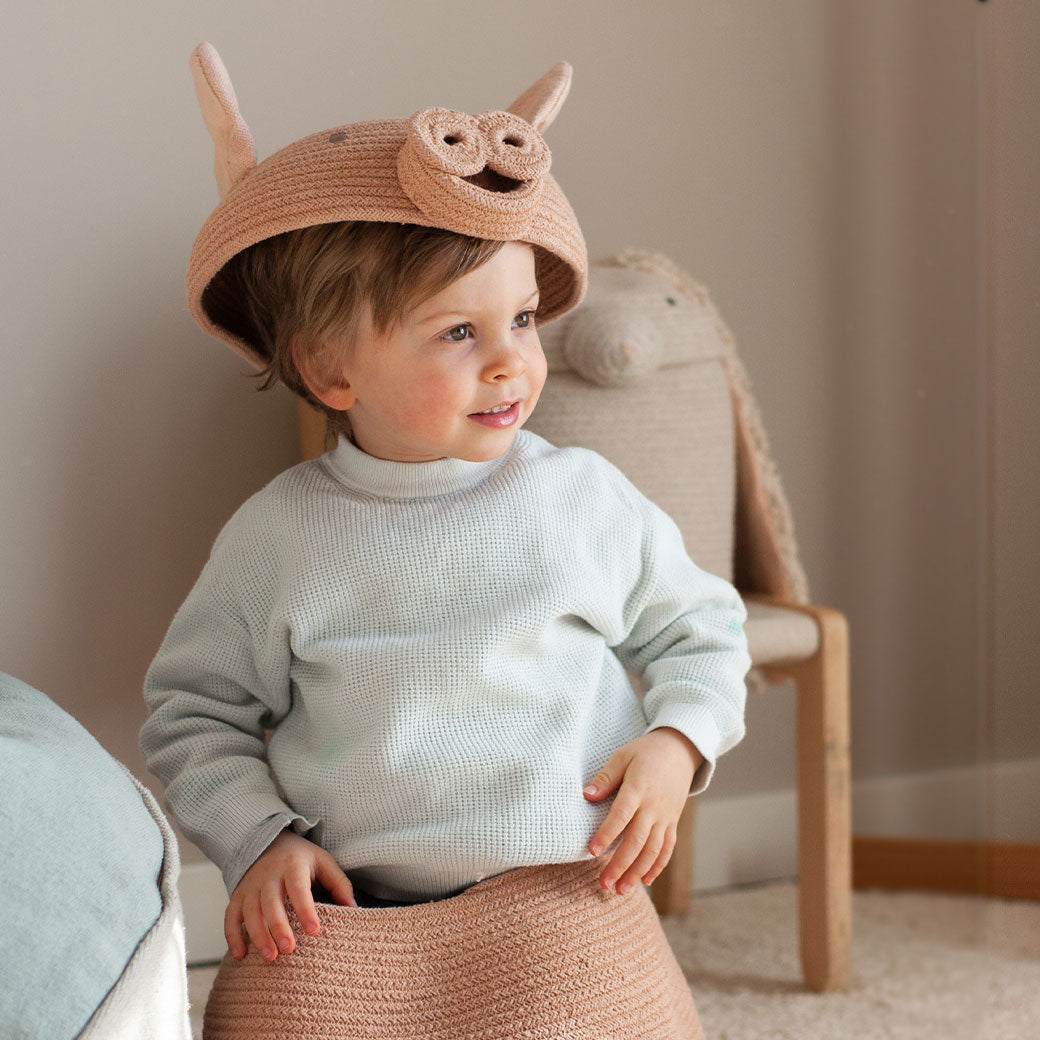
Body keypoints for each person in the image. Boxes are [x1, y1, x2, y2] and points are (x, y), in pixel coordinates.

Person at [141, 42, 750, 1035]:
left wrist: (676, 741)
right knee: (266, 1008)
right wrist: (260, 842)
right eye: (458, 334)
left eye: (520, 318)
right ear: (330, 369)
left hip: (554, 887)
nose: (512, 360)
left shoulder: (581, 498)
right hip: (345, 901)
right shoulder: (282, 533)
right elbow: (190, 708)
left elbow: (700, 625)